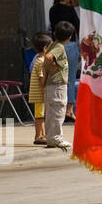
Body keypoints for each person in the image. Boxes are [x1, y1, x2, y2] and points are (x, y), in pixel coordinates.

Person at [42, 22, 75, 150]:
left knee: (51, 112)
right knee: (58, 111)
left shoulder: (53, 44)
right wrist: (54, 66)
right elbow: (49, 57)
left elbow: (47, 55)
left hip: (51, 85)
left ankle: (51, 138)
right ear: (69, 37)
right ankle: (56, 138)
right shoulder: (59, 47)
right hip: (57, 85)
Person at [27, 31, 53, 146]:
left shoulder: (37, 59)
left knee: (41, 115)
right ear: (45, 48)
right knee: (39, 116)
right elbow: (41, 79)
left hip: (39, 94)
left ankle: (43, 135)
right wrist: (46, 90)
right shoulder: (41, 62)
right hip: (39, 94)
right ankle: (38, 136)